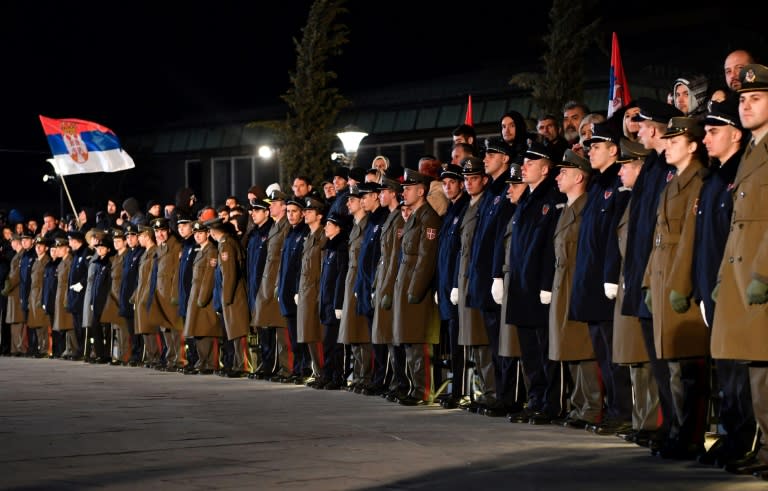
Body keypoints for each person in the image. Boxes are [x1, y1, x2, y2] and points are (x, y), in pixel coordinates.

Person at [711, 63, 768, 478]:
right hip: (738, 272)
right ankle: (762, 449)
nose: (746, 106)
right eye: (743, 100)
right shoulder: (750, 150)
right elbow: (739, 221)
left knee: (764, 370)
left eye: (756, 99)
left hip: (760, 275)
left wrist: (763, 274)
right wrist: (719, 280)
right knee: (753, 369)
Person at [642, 116, 710, 459]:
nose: (667, 144)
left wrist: (679, 284)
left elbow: (689, 238)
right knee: (671, 365)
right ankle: (677, 430)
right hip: (662, 271)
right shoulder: (673, 180)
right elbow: (658, 236)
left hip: (678, 277)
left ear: (693, 145)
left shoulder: (698, 180)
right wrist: (647, 281)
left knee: (686, 366)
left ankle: (690, 436)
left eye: (675, 139)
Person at [694, 96, 755, 467]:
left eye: (713, 131)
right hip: (715, 287)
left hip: (734, 284)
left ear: (735, 135)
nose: (705, 139)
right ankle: (732, 435)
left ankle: (744, 439)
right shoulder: (717, 177)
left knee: (740, 371)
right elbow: (705, 241)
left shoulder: (738, 174)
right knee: (727, 370)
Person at [622, 98, 683, 454]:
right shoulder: (655, 166)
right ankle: (670, 423)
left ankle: (679, 425)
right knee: (658, 356)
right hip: (645, 272)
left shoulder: (667, 168)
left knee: (670, 357)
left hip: (660, 272)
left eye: (642, 126)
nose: (637, 131)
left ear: (657, 128)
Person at [571, 122, 633, 436]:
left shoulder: (618, 183)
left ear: (613, 149)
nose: (590, 150)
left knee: (615, 355)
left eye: (596, 146)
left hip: (606, 284)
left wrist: (610, 275)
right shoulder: (596, 185)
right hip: (591, 283)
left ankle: (623, 410)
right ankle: (613, 408)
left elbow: (613, 236)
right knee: (603, 354)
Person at [505, 141, 566, 424]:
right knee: (529, 349)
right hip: (521, 283)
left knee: (544, 349)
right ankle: (535, 398)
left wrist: (545, 283)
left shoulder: (550, 198)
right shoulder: (527, 200)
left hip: (537, 284)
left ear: (545, 168)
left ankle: (550, 403)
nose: (524, 167)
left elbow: (550, 246)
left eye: (530, 163)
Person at [548, 149, 599, 430]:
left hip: (576, 281)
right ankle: (579, 405)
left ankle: (591, 406)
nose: (558, 177)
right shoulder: (567, 207)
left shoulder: (585, 207)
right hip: (562, 282)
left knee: (582, 346)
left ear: (579, 176)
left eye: (564, 172)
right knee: (568, 345)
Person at [392, 169, 441, 406]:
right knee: (408, 338)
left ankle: (421, 390)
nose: (404, 192)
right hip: (406, 280)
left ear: (421, 191)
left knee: (417, 339)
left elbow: (426, 257)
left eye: (408, 188)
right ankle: (413, 386)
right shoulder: (414, 216)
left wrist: (416, 288)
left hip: (416, 284)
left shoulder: (428, 218)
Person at [371, 177, 409, 401]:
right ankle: (396, 381)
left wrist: (385, 287)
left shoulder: (399, 219)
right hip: (385, 280)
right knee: (389, 336)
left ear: (393, 193)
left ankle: (400, 382)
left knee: (395, 337)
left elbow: (395, 257)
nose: (380, 195)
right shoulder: (391, 218)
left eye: (383, 192)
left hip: (392, 283)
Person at [434, 164, 469, 409]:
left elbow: (460, 252)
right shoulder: (450, 212)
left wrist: (455, 283)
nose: (447, 186)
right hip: (446, 286)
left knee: (460, 344)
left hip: (457, 286)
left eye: (452, 182)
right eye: (444, 182)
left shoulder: (464, 209)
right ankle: (456, 388)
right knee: (452, 343)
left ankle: (461, 390)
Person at [251, 190, 291, 381]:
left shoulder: (286, 227)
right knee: (267, 327)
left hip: (276, 283)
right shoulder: (275, 227)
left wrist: (277, 284)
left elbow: (283, 259)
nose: (271, 206)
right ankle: (271, 365)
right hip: (267, 283)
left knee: (279, 330)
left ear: (284, 206)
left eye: (274, 203)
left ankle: (283, 367)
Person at [354, 182, 389, 394]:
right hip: (366, 285)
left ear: (376, 196)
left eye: (366, 196)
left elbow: (380, 257)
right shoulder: (371, 221)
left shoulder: (383, 218)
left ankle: (382, 378)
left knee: (381, 336)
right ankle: (377, 377)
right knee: (373, 336)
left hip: (376, 284)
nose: (363, 200)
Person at [207, 218, 252, 377]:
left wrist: (225, 298)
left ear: (213, 232)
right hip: (230, 293)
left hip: (234, 294)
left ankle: (242, 366)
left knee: (238, 330)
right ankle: (237, 365)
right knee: (233, 331)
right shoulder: (226, 242)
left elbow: (230, 274)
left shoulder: (226, 244)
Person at [338, 185, 371, 392]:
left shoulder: (366, 225)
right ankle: (359, 375)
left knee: (361, 330)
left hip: (360, 280)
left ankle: (365, 376)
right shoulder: (356, 225)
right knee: (353, 330)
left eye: (352, 199)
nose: (348, 203)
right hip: (351, 280)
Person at [182, 220, 224, 375]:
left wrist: (203, 297)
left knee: (207, 331)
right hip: (197, 296)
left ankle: (210, 363)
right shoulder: (200, 251)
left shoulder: (211, 251)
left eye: (201, 233)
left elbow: (209, 276)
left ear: (208, 234)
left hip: (205, 297)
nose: (198, 236)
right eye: (196, 233)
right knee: (199, 331)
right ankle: (203, 362)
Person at [276, 196, 310, 381]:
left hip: (298, 291)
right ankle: (297, 368)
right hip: (287, 291)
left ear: (303, 213)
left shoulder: (304, 233)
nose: (290, 215)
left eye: (294, 211)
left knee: (301, 334)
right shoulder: (289, 233)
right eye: (288, 211)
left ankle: (304, 368)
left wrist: (297, 289)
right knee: (292, 334)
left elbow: (301, 266)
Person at [296, 197, 327, 385]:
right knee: (308, 333)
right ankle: (317, 371)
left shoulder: (322, 236)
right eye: (305, 211)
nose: (305, 214)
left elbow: (323, 269)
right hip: (306, 291)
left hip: (316, 292)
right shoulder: (309, 237)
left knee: (317, 334)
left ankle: (323, 372)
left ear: (319, 215)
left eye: (309, 211)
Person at [317, 212, 349, 390]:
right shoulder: (330, 248)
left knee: (336, 344)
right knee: (328, 343)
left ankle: (338, 376)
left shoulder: (341, 248)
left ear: (338, 228)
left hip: (334, 303)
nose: (325, 227)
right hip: (327, 302)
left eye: (329, 224)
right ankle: (327, 374)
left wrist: (338, 303)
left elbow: (340, 277)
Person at [149, 217, 185, 372]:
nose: (160, 234)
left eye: (162, 231)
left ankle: (180, 359)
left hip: (171, 293)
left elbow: (177, 272)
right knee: (165, 328)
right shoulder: (160, 248)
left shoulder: (176, 247)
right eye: (157, 231)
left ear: (168, 231)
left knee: (176, 328)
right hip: (160, 293)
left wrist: (174, 294)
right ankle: (171, 359)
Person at [245, 199, 276, 379]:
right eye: (252, 211)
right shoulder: (254, 233)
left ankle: (270, 364)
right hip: (254, 288)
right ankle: (264, 363)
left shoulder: (270, 231)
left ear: (267, 212)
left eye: (257, 210)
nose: (253, 213)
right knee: (261, 330)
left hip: (265, 288)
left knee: (268, 329)